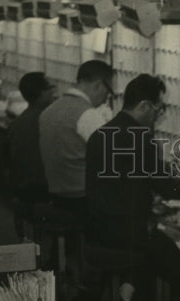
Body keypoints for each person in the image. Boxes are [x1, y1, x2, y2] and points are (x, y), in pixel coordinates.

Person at [84, 73, 180, 301]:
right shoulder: (141, 139)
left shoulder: (100, 135)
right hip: (129, 234)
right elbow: (167, 188)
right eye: (158, 111)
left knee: (155, 252)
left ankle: (132, 294)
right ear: (144, 106)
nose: (158, 117)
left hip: (99, 231)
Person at [39, 59, 114, 215]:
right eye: (107, 92)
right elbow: (112, 157)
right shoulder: (88, 115)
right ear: (98, 85)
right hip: (82, 198)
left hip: (56, 194)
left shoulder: (48, 111)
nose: (106, 98)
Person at [7, 72, 56, 243]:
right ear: (41, 93)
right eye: (51, 89)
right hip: (45, 193)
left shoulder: (17, 124)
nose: (54, 93)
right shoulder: (49, 121)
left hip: (23, 192)